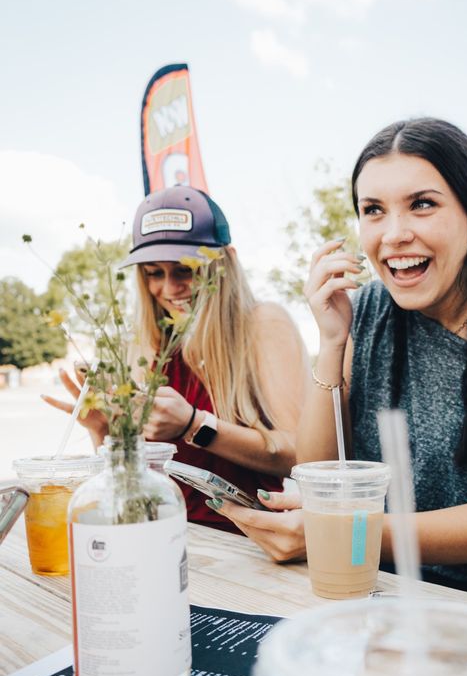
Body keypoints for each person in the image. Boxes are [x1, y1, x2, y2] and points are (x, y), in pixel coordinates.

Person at [210, 118, 467, 609]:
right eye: (373, 211)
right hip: (368, 594)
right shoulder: (364, 309)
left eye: (422, 204)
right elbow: (316, 469)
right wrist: (331, 340)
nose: (394, 234)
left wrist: (343, 531)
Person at [44, 185, 309, 532]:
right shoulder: (137, 346)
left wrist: (195, 426)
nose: (169, 288)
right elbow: (128, 484)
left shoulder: (261, 324)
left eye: (185, 269)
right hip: (154, 533)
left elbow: (299, 457)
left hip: (246, 543)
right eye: (154, 272)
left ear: (224, 262)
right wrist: (103, 432)